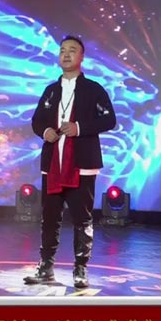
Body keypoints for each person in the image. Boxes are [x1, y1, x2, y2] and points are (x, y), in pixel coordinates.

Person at [23, 35, 116, 289]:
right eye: (62, 50)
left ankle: (80, 268)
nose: (66, 54)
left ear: (82, 57)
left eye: (72, 50)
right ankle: (46, 267)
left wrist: (79, 128)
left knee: (82, 218)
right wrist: (45, 132)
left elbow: (109, 120)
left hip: (82, 164)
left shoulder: (94, 89)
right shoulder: (51, 91)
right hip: (53, 164)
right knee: (49, 217)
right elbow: (37, 121)